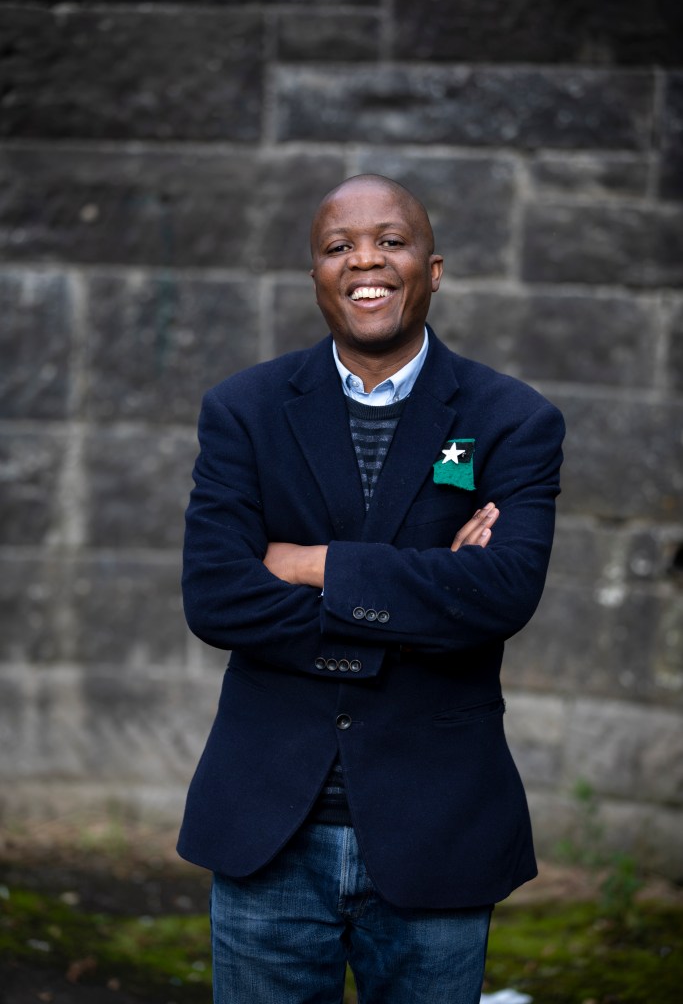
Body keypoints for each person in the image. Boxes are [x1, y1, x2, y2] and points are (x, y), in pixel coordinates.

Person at [177, 174, 565, 1003]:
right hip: (266, 823)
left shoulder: (512, 419)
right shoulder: (243, 410)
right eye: (338, 246)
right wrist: (429, 597)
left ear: (432, 269)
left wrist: (312, 564)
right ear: (316, 274)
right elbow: (216, 597)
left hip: (438, 824)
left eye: (390, 241)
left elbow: (501, 593)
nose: (365, 260)